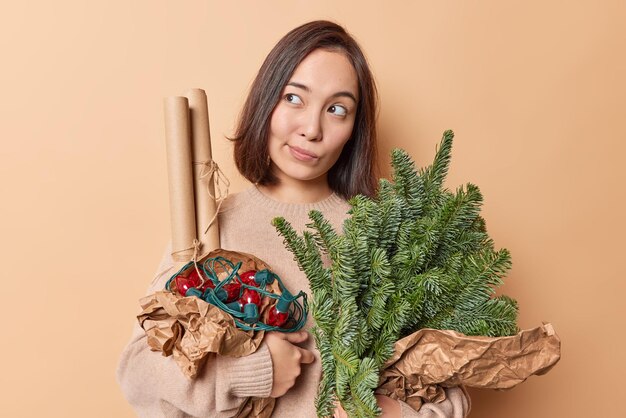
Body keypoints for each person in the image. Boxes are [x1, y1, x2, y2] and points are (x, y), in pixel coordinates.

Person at [117, 20, 470, 418]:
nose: (311, 129)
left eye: (337, 109)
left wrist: (391, 413)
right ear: (266, 101)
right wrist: (251, 370)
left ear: (355, 129)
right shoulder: (210, 226)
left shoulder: (384, 235)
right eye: (294, 99)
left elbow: (451, 391)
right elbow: (137, 374)